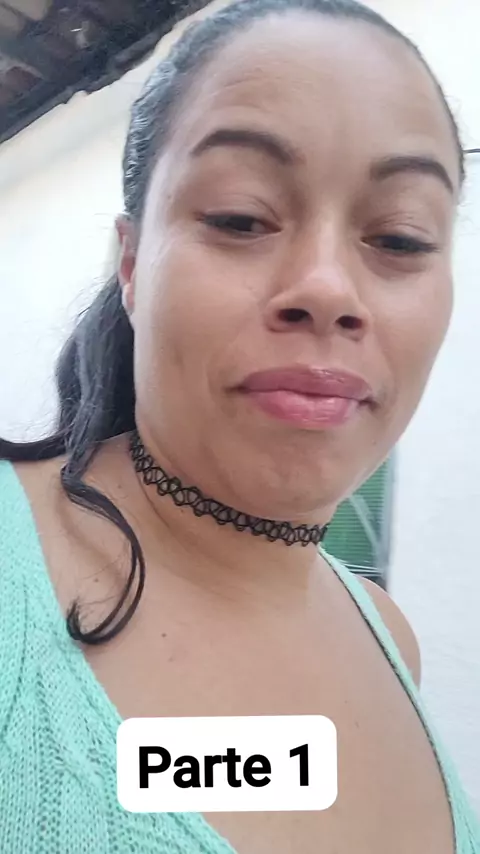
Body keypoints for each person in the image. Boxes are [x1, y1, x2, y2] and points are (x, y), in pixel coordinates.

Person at [0, 0, 478, 851]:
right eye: (239, 218)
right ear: (132, 264)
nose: (327, 289)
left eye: (401, 237)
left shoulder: (388, 637)